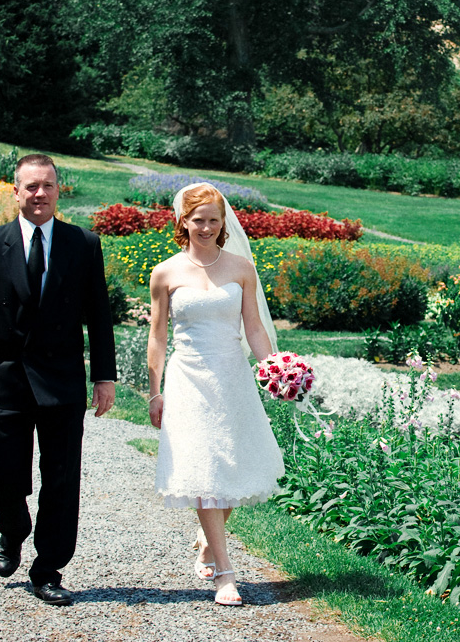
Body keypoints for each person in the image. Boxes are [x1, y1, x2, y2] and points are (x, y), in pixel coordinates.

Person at [0, 154, 116, 607]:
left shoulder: (83, 244)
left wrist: (104, 376)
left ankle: (48, 569)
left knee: (61, 480)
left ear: (58, 190)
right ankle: (13, 527)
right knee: (3, 471)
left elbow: (99, 317)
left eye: (47, 185)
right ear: (16, 192)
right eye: (30, 187)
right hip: (4, 380)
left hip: (62, 382)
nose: (39, 194)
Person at [147, 182, 284, 607]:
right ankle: (226, 574)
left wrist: (276, 369)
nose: (205, 227)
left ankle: (208, 540)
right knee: (205, 469)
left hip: (232, 378)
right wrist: (154, 392)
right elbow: (157, 336)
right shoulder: (166, 273)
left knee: (233, 465)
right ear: (182, 222)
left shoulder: (242, 268)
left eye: (212, 220)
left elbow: (255, 328)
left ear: (223, 222)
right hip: (188, 380)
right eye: (197, 219)